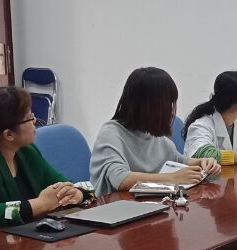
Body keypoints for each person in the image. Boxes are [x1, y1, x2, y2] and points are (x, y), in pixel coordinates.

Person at [0, 85, 84, 234]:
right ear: (9, 134)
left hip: (21, 237)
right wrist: (41, 204)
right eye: (29, 117)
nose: (35, 121)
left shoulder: (26, 151)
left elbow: (62, 183)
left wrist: (76, 193)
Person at [90, 67, 221, 195]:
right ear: (148, 106)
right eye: (167, 104)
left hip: (148, 204)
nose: (170, 110)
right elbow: (120, 179)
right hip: (116, 205)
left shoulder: (153, 134)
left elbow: (178, 161)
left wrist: (203, 162)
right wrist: (172, 178)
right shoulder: (111, 133)